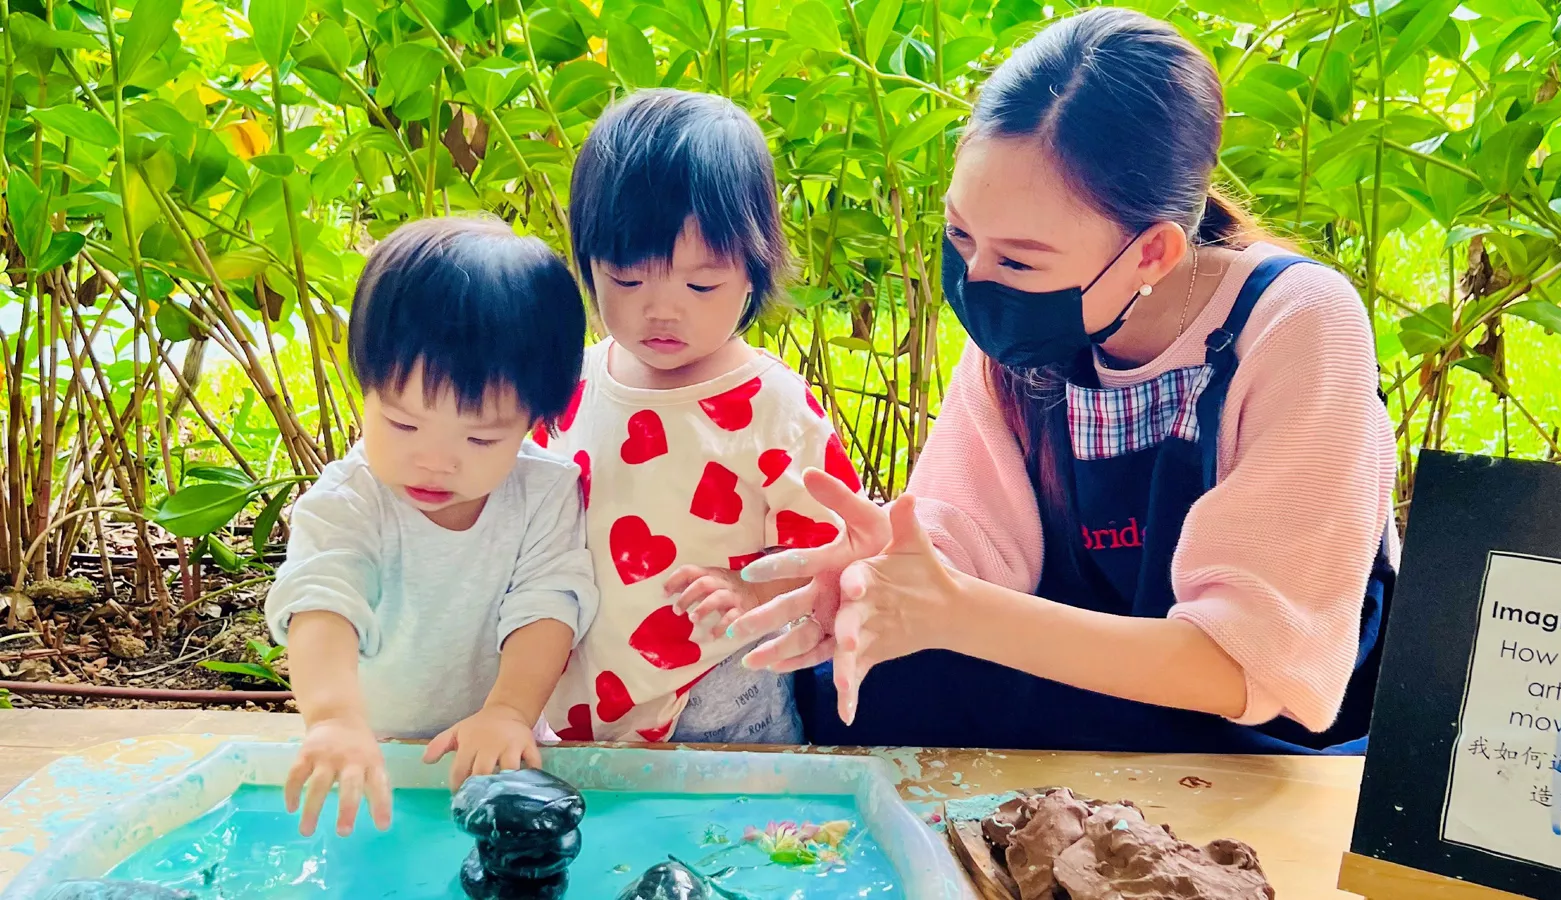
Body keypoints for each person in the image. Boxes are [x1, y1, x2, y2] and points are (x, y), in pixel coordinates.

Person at [725, 8, 1397, 754]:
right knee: (865, 683)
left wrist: (955, 611)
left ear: (1152, 253)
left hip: (1252, 732)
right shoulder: (1031, 333)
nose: (976, 280)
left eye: (1017, 262)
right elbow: (966, 542)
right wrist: (878, 583)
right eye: (958, 235)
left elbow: (1255, 667)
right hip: (1081, 688)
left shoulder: (1296, 320)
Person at [537, 88, 861, 745]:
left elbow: (838, 550)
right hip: (579, 696)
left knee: (730, 839)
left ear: (754, 271)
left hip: (721, 699)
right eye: (628, 280)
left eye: (701, 284)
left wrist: (750, 586)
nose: (662, 310)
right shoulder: (570, 384)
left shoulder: (773, 408)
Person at [264, 217, 598, 836]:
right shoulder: (349, 500)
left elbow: (547, 607)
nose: (435, 460)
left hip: (506, 750)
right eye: (402, 424)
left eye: (480, 436)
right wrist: (334, 719)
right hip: (370, 753)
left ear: (535, 416)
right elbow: (322, 602)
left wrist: (508, 711)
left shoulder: (545, 492)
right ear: (365, 387)